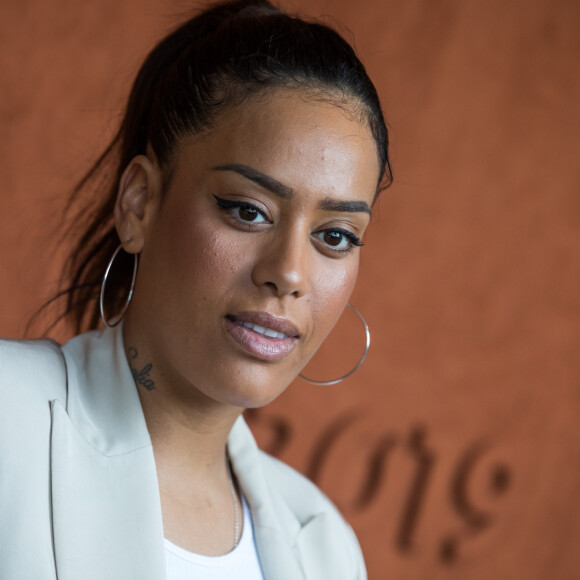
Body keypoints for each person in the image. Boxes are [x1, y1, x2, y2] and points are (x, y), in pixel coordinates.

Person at [0, 0, 392, 578]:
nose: (288, 273)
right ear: (139, 204)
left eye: (334, 235)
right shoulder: (11, 421)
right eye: (248, 210)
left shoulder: (325, 548)